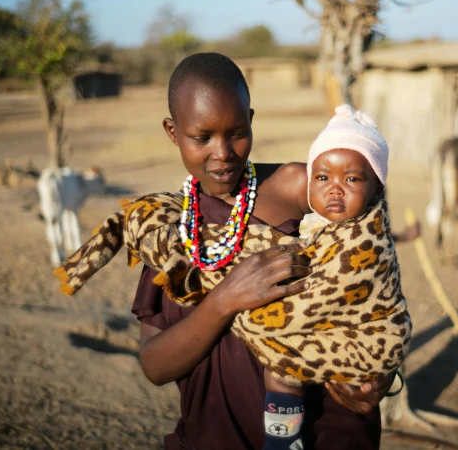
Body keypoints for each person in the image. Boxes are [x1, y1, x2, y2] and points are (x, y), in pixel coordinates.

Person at [132, 52, 398, 450]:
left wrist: (377, 375)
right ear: (173, 132)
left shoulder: (297, 187)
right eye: (202, 137)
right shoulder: (169, 231)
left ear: (251, 120)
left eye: (237, 132)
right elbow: (154, 366)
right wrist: (225, 300)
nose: (223, 153)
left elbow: (369, 271)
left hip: (324, 432)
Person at [260, 104, 411, 450]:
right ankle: (284, 440)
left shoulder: (365, 237)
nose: (335, 189)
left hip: (356, 345)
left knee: (281, 366)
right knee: (282, 373)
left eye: (352, 178)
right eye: (323, 177)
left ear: (376, 189)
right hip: (331, 348)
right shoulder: (310, 223)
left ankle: (283, 441)